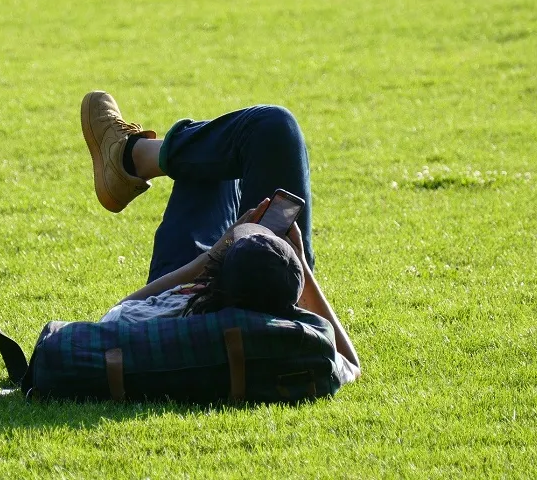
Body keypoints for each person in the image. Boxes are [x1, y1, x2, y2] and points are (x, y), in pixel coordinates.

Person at [80, 91, 361, 383]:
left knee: (237, 147)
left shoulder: (178, 309)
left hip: (186, 276)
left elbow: (113, 317)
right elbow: (352, 365)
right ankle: (132, 158)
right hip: (261, 285)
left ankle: (132, 156)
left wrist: (212, 252)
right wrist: (299, 263)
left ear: (211, 280)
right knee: (219, 152)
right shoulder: (298, 336)